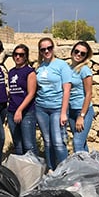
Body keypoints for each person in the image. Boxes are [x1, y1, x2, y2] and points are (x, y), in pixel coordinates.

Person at [35, 37, 72, 171]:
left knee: (58, 141)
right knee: (47, 141)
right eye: (43, 49)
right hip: (41, 107)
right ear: (40, 51)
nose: (46, 51)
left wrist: (63, 112)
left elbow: (67, 89)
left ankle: (63, 171)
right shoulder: (40, 67)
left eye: (49, 48)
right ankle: (51, 169)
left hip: (57, 108)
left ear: (53, 48)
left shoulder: (62, 65)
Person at [7, 44, 37, 156]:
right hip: (12, 111)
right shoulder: (11, 72)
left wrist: (20, 110)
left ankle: (34, 169)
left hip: (26, 112)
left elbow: (31, 93)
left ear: (26, 56)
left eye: (21, 55)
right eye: (15, 54)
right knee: (17, 144)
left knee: (29, 145)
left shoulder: (29, 72)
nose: (18, 57)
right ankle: (21, 170)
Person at [68, 41, 95, 152]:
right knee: (82, 143)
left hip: (83, 110)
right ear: (72, 51)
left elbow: (89, 94)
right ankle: (89, 167)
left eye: (82, 53)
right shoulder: (68, 68)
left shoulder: (84, 70)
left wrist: (82, 116)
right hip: (71, 110)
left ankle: (80, 169)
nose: (78, 54)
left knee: (77, 143)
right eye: (77, 51)